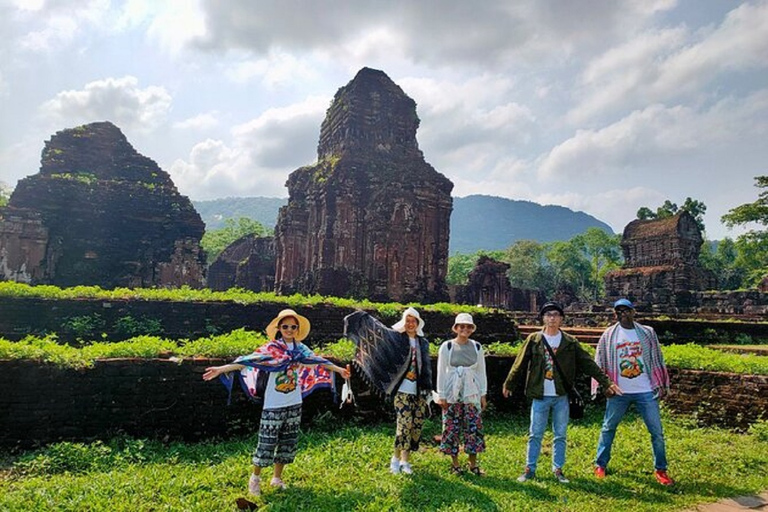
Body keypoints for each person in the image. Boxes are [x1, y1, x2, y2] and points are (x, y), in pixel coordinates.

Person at [203, 308, 350, 497]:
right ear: (279, 328)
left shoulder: (301, 349)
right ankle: (255, 479)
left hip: (294, 401)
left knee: (287, 442)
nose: (289, 329)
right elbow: (248, 361)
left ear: (297, 329)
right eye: (286, 326)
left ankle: (277, 478)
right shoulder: (271, 349)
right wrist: (221, 368)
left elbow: (319, 361)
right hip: (273, 403)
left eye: (293, 326)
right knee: (266, 442)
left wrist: (339, 370)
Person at [503, 301, 621, 484]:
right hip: (540, 394)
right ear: (543, 318)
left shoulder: (569, 342)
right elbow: (520, 363)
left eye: (555, 315)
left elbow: (587, 363)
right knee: (535, 433)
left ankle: (558, 469)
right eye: (548, 315)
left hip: (561, 395)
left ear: (561, 319)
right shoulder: (534, 339)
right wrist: (509, 383)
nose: (552, 318)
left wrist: (606, 382)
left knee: (560, 434)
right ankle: (530, 469)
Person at [592, 298, 675, 486]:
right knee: (608, 428)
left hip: (646, 389)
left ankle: (661, 469)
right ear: (615, 314)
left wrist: (661, 383)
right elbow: (600, 360)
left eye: (626, 310)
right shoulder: (609, 335)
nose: (623, 313)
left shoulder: (647, 333)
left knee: (657, 432)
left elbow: (657, 358)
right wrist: (605, 385)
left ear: (633, 311)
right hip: (619, 391)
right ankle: (600, 464)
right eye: (619, 311)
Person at [343, 307, 433, 475]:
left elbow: (427, 368)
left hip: (420, 390)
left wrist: (428, 392)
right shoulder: (397, 338)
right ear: (403, 322)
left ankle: (406, 461)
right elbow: (380, 332)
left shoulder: (423, 343)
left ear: (418, 323)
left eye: (414, 321)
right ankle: (396, 459)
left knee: (415, 427)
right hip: (403, 390)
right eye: (408, 320)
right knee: (404, 425)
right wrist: (363, 318)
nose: (410, 324)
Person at [436, 313, 488, 476]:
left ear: (472, 329)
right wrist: (442, 395)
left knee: (473, 428)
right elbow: (441, 372)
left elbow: (481, 372)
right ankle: (455, 464)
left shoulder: (477, 347)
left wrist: (483, 394)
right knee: (452, 428)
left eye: (468, 327)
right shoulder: (447, 347)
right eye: (461, 326)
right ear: (456, 328)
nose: (465, 329)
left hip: (471, 391)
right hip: (452, 391)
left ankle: (472, 464)